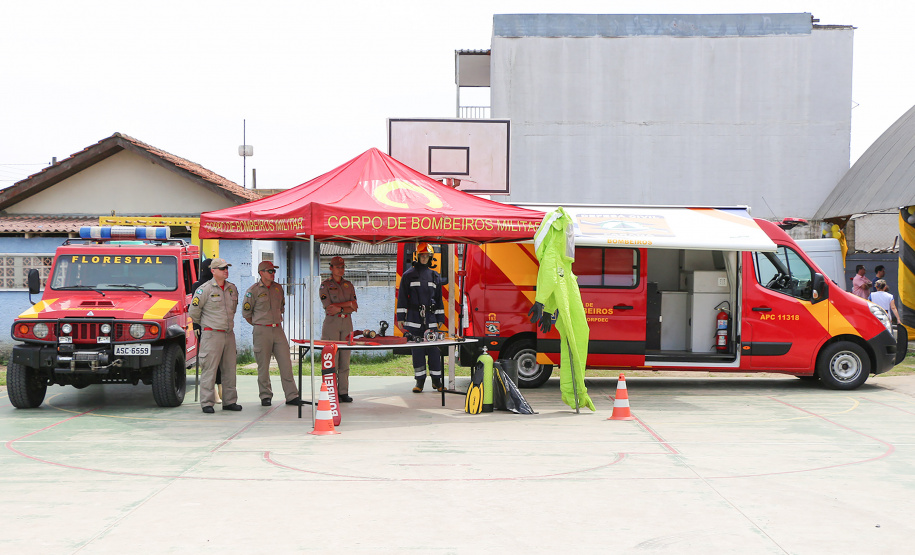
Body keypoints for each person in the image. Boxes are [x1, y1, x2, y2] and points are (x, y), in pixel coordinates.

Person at [243, 261, 308, 407]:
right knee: (263, 366)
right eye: (270, 271)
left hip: (278, 329)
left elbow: (282, 307)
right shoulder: (252, 291)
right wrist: (259, 324)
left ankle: (292, 395)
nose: (273, 273)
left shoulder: (278, 288)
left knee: (286, 363)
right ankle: (265, 395)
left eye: (274, 271)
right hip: (261, 330)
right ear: (261, 273)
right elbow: (247, 314)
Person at [188, 257, 242, 413]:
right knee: (209, 369)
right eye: (222, 268)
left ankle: (229, 401)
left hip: (228, 334)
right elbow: (194, 312)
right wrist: (208, 324)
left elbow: (233, 309)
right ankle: (207, 402)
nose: (226, 270)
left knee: (230, 369)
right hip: (212, 334)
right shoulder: (204, 289)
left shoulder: (232, 288)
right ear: (213, 271)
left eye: (227, 267)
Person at [396, 243, 445, 393]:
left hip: (430, 318)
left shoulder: (435, 276)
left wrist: (440, 316)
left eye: (427, 256)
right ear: (417, 256)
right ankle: (420, 382)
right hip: (413, 318)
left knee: (434, 350)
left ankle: (437, 381)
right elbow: (402, 297)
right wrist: (400, 317)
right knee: (417, 350)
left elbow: (438, 299)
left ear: (430, 257)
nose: (424, 258)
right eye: (422, 255)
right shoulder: (408, 275)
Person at [319, 256, 357, 403]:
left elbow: (355, 306)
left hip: (347, 322)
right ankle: (331, 391)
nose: (341, 269)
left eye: (342, 266)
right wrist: (347, 306)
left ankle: (343, 392)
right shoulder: (325, 286)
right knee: (331, 360)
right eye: (338, 267)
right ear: (331, 268)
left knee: (345, 361)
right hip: (332, 324)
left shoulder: (349, 285)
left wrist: (340, 307)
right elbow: (329, 308)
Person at [191, 258, 221, 404]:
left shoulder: (221, 285)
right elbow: (195, 308)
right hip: (205, 327)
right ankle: (212, 394)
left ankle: (221, 390)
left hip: (220, 328)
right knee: (208, 362)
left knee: (221, 361)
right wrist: (196, 326)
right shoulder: (198, 285)